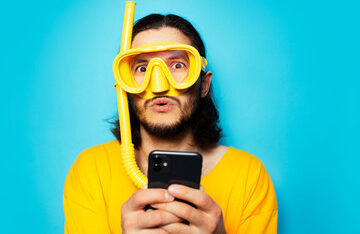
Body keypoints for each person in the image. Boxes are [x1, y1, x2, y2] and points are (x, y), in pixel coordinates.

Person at [63, 13, 277, 234]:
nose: (158, 86)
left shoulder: (248, 175)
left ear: (204, 85)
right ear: (125, 86)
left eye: (177, 65)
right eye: (142, 69)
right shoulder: (92, 170)